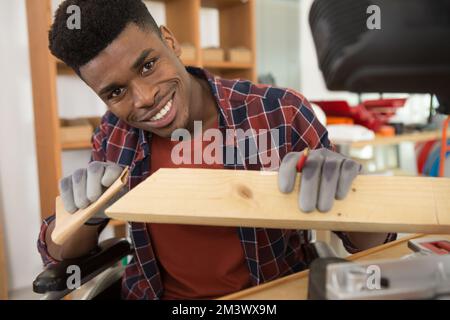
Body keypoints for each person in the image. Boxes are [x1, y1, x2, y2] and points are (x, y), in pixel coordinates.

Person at [38, 0, 396, 300]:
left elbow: (372, 246)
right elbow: (56, 257)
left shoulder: (280, 114)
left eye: (148, 65)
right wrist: (88, 215)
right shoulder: (114, 133)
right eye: (115, 92)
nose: (145, 98)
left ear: (170, 41)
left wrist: (348, 197)